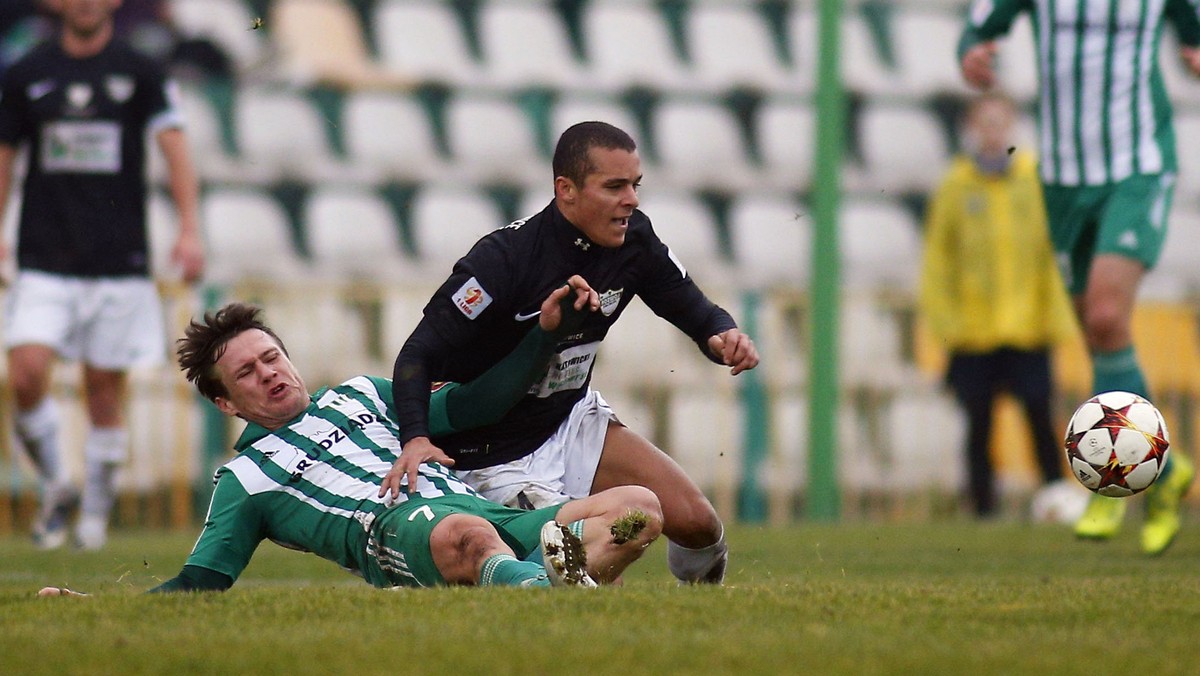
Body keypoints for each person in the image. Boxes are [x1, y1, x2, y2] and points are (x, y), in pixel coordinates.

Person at [43, 281, 663, 595]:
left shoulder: (365, 391)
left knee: (638, 508)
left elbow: (477, 405)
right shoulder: (245, 480)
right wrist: (86, 600)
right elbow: (202, 582)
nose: (270, 373)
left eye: (272, 357)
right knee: (465, 536)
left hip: (484, 509)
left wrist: (543, 338)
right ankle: (540, 585)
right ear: (226, 402)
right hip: (393, 533)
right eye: (247, 373)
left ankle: (542, 588)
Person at [388, 121, 759, 584]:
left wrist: (720, 335)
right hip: (495, 456)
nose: (632, 200)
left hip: (569, 419)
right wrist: (416, 437)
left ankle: (703, 616)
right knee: (601, 566)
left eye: (635, 185)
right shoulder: (503, 260)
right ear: (566, 189)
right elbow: (416, 354)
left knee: (699, 523)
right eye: (615, 187)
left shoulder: (634, 239)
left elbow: (687, 303)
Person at [959, 0, 1200, 553]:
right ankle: (1166, 474)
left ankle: (1112, 480)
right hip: (1065, 180)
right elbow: (981, 22)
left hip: (1138, 166)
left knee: (1107, 313)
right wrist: (970, 51)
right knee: (1099, 335)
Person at [0, 0, 205, 550]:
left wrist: (189, 228)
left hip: (118, 262)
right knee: (25, 373)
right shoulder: (26, 72)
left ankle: (92, 519)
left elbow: (174, 147)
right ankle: (56, 483)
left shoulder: (141, 69)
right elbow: (6, 155)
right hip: (44, 257)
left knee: (103, 391)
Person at [919, 92, 1079, 519]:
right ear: (973, 127)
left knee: (1039, 419)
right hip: (974, 329)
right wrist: (946, 322)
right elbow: (939, 259)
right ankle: (983, 510)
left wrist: (1054, 316)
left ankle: (1055, 499)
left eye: (1000, 123)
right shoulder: (957, 184)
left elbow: (1051, 254)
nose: (993, 132)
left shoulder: (1034, 180)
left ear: (1011, 126)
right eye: (985, 123)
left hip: (1028, 326)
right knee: (978, 425)